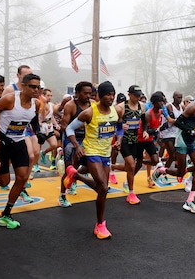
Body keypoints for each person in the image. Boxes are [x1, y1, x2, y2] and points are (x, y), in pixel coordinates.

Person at [64, 81, 123, 239]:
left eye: (113, 95)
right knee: (103, 188)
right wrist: (77, 146)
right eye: (108, 95)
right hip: (91, 151)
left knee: (101, 189)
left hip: (106, 153)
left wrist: (119, 140)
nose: (111, 98)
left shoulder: (116, 111)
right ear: (99, 96)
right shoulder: (90, 112)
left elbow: (119, 127)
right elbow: (69, 128)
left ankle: (75, 175)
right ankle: (100, 225)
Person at [151, 85, 195, 213]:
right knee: (180, 172)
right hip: (182, 140)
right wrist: (193, 133)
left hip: (192, 141)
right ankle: (162, 170)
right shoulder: (192, 106)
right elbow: (177, 122)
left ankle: (190, 201)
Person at [0, 73, 42, 229]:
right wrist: (1, 136)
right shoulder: (10, 99)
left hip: (18, 143)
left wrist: (38, 132)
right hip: (1, 143)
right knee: (3, 181)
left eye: (38, 87)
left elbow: (34, 119)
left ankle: (7, 213)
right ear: (23, 86)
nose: (36, 90)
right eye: (33, 86)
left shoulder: (36, 104)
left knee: (22, 178)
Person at [111, 85, 148, 205]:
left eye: (139, 96)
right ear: (129, 95)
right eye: (136, 95)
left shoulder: (141, 106)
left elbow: (144, 120)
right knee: (132, 166)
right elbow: (111, 123)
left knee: (129, 167)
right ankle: (131, 193)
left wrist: (145, 130)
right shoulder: (120, 107)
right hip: (124, 140)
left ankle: (112, 167)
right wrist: (121, 127)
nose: (138, 98)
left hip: (135, 139)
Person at [58, 81, 93, 207]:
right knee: (69, 169)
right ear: (77, 93)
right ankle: (62, 195)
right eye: (85, 93)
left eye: (90, 93)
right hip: (70, 139)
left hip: (86, 139)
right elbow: (64, 125)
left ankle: (75, 178)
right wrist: (77, 131)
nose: (88, 96)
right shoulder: (70, 105)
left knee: (90, 166)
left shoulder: (92, 105)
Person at [38, 88, 61, 167]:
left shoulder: (51, 105)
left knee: (54, 145)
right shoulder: (39, 104)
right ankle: (35, 165)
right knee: (37, 148)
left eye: (51, 95)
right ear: (43, 96)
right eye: (48, 95)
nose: (49, 97)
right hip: (40, 127)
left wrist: (56, 125)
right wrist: (42, 124)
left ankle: (44, 153)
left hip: (49, 127)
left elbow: (52, 117)